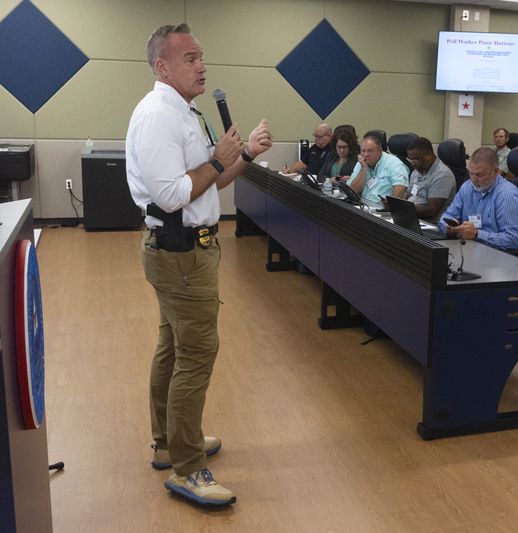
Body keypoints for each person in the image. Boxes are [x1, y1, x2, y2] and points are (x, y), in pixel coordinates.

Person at [126, 23, 272, 507]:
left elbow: (210, 181)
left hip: (191, 250)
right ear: (162, 66)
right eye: (189, 58)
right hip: (180, 251)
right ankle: (187, 467)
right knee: (196, 356)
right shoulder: (157, 117)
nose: (202, 65)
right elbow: (170, 197)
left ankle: (170, 441)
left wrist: (244, 152)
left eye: (201, 56)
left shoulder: (185, 112)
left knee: (173, 348)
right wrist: (215, 158)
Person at [438, 147, 518, 251]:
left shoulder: (508, 196)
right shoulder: (467, 187)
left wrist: (477, 234)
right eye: (471, 173)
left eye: (480, 175)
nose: (474, 179)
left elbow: (514, 239)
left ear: (496, 172)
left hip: (497, 256)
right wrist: (448, 227)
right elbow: (448, 215)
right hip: (468, 248)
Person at [347, 134, 408, 207]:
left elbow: (401, 187)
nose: (366, 154)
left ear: (379, 151)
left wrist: (391, 205)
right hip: (363, 205)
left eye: (370, 151)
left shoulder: (394, 164)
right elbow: (353, 191)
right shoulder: (361, 163)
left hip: (382, 209)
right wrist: (363, 168)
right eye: (363, 151)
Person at [405, 137, 457, 223]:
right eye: (410, 160)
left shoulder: (442, 175)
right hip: (413, 218)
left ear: (428, 154)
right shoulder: (415, 172)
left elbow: (431, 211)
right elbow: (409, 196)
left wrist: (404, 209)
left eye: (416, 159)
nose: (412, 164)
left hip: (432, 224)